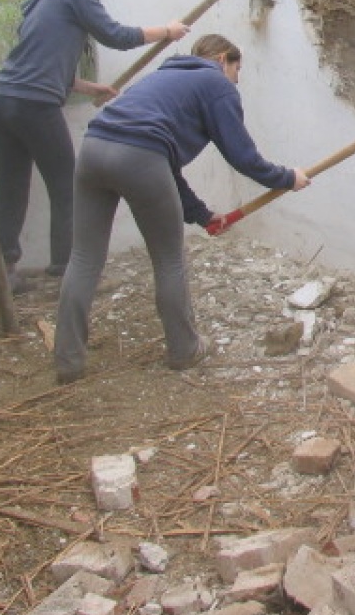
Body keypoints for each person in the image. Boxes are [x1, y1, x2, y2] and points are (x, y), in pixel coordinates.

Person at [52, 34, 308, 384]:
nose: (237, 79)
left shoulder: (162, 79)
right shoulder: (216, 83)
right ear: (221, 59)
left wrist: (201, 215)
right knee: (168, 259)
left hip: (94, 150)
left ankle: (67, 360)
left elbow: (165, 167)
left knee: (83, 257)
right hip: (140, 157)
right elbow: (242, 156)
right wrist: (286, 178)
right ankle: (184, 350)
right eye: (237, 69)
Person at [0, 0, 190, 292]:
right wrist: (167, 32)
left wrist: (86, 87)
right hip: (35, 104)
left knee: (12, 187)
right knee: (68, 184)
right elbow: (115, 35)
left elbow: (38, 59)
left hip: (4, 100)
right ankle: (70, 271)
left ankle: (3, 271)